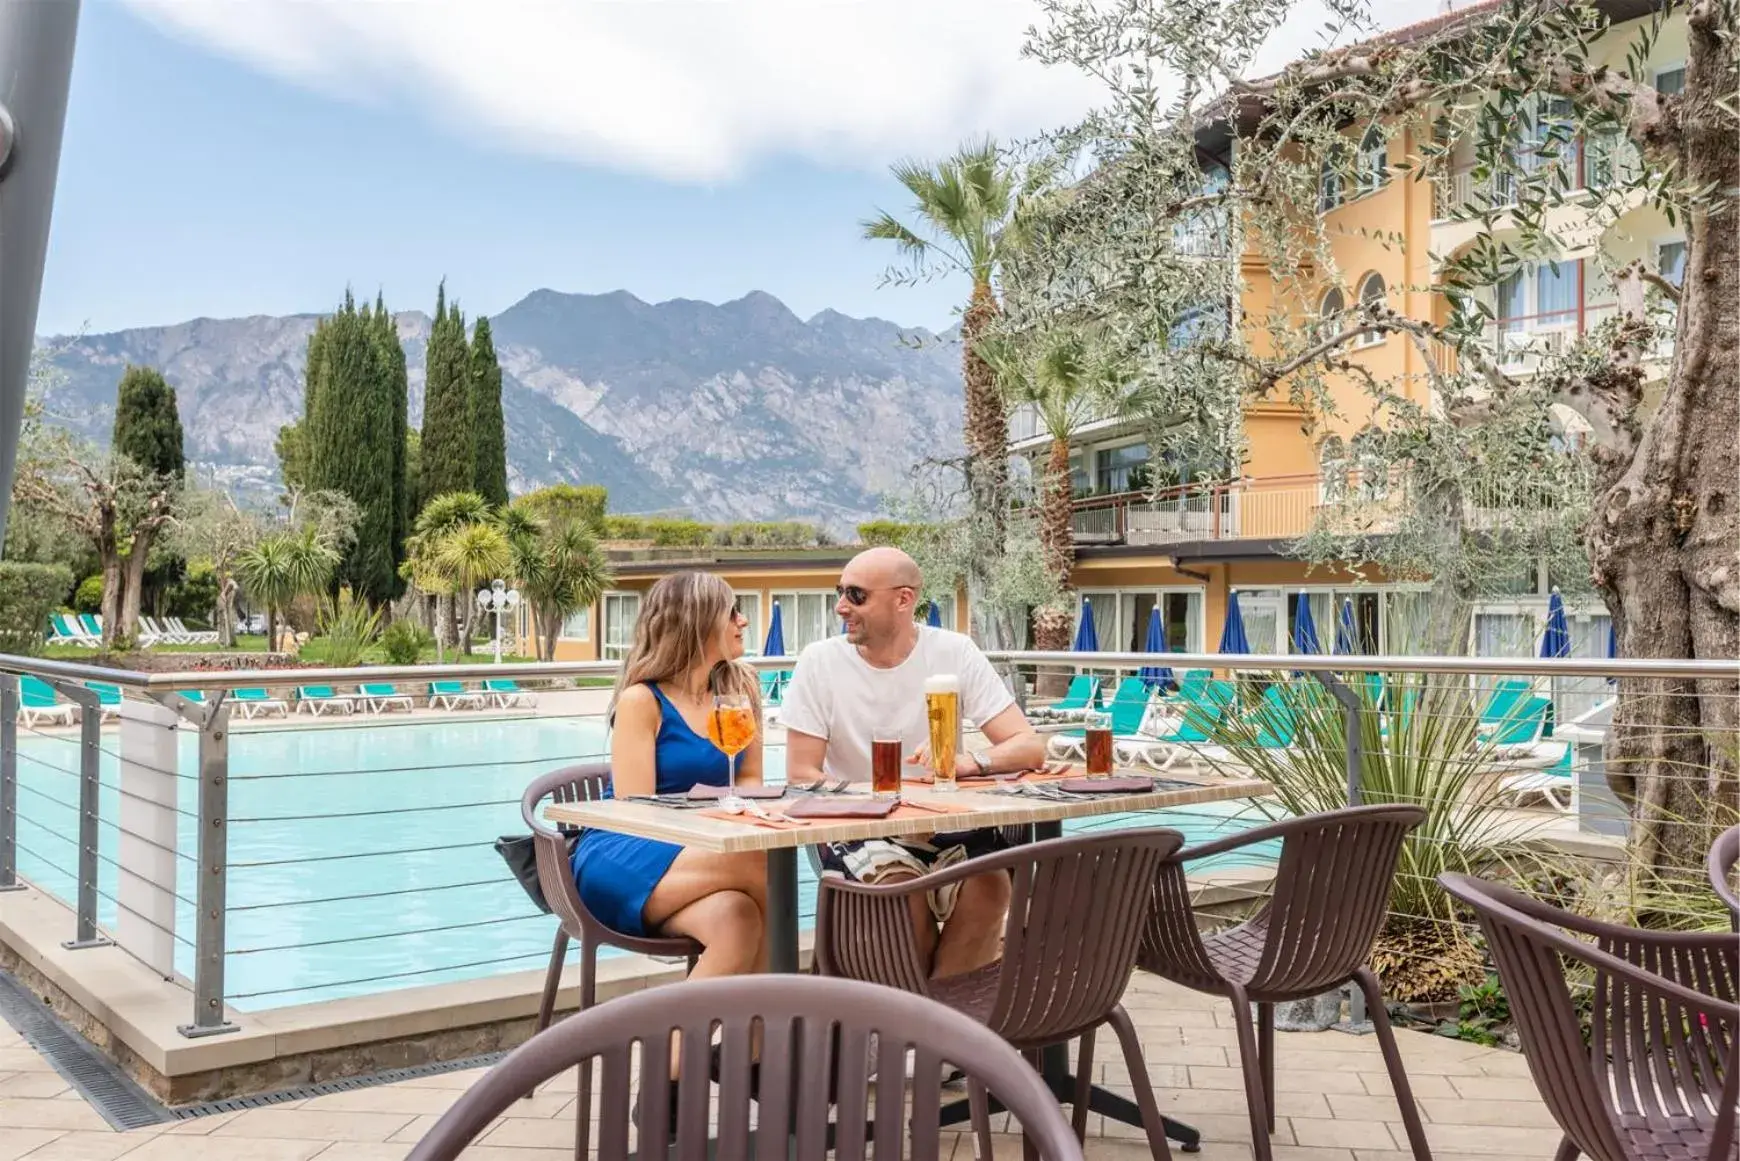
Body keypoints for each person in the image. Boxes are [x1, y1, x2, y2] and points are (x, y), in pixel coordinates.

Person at [780, 546, 1046, 979]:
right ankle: (921, 1022)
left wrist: (970, 762)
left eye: (856, 595)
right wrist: (884, 809)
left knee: (991, 885)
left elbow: (1027, 745)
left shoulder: (955, 652)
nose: (841, 606)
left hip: (944, 825)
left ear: (903, 600)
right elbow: (802, 774)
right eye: (839, 592)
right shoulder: (820, 662)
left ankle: (941, 1026)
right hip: (860, 829)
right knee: (900, 895)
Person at [569, 570, 768, 978]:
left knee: (740, 919)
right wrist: (717, 822)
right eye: (732, 612)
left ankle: (676, 1044)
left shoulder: (740, 689)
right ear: (697, 621)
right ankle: (782, 1025)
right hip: (626, 854)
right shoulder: (642, 700)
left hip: (704, 848)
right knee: (758, 858)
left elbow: (750, 781)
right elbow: (636, 811)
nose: (742, 621)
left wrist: (735, 813)